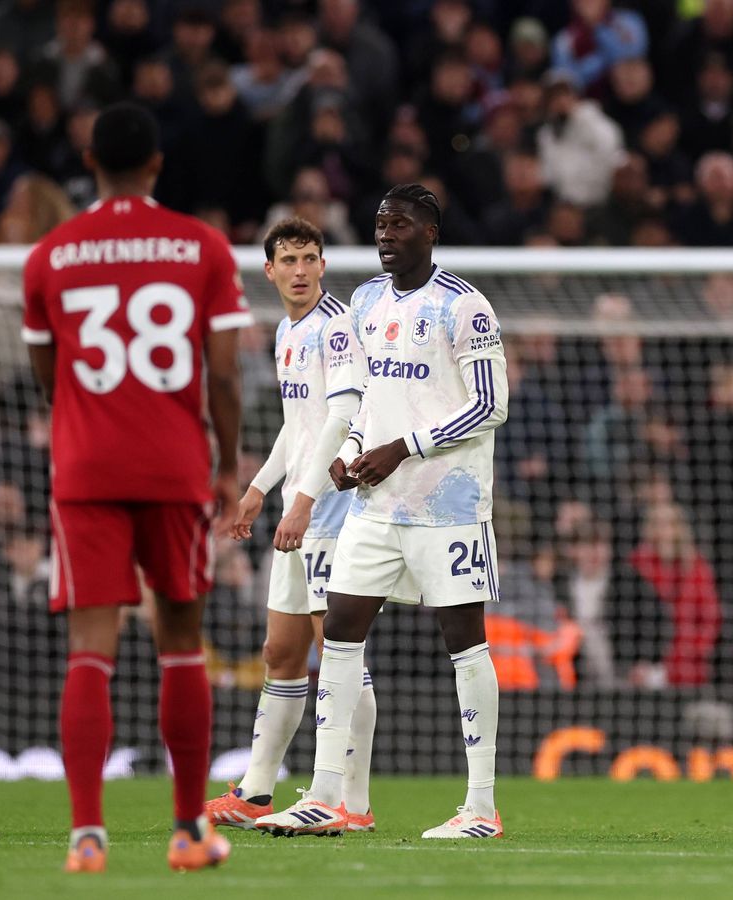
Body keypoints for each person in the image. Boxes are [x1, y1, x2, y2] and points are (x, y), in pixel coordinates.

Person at [21, 101, 251, 872]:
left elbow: (49, 376)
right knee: (180, 643)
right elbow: (224, 373)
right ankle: (188, 832)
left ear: (90, 163)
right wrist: (228, 466)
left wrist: (87, 423)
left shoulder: (50, 255)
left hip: (85, 469)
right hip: (173, 467)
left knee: (91, 648)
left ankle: (87, 837)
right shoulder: (202, 246)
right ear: (157, 164)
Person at [258, 183, 509, 839]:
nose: (385, 235)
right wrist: (351, 452)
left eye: (399, 224)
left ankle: (481, 806)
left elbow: (490, 404)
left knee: (464, 641)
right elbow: (363, 397)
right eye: (379, 225)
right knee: (340, 628)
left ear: (430, 232)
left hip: (449, 505)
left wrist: (404, 447)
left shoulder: (464, 306)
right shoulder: (365, 302)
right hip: (375, 505)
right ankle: (329, 795)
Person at [204, 218, 377, 836]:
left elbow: (342, 417)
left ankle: (351, 801)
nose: (299, 270)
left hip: (333, 511)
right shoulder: (286, 331)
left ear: (323, 265)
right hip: (298, 510)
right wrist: (258, 489)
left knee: (338, 652)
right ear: (270, 270)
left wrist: (302, 502)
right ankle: (255, 790)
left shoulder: (336, 327)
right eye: (288, 260)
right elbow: (298, 424)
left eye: (309, 258)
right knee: (281, 651)